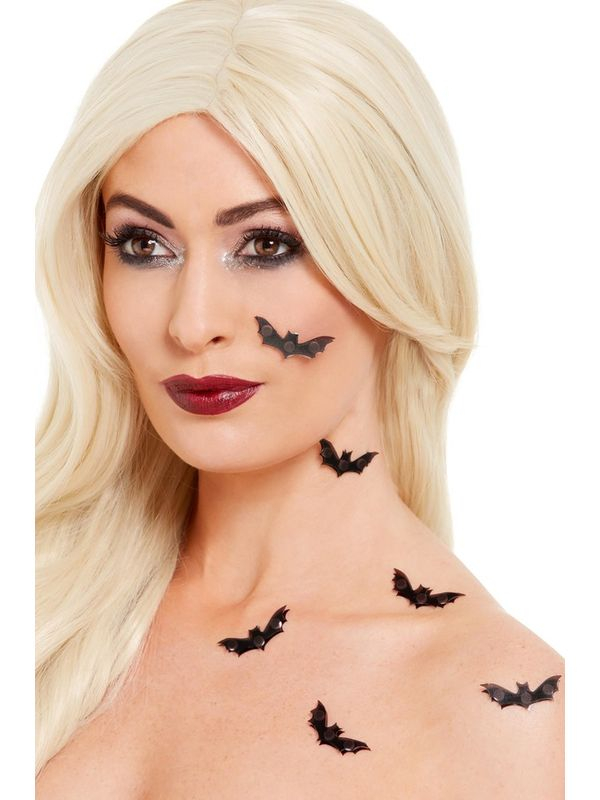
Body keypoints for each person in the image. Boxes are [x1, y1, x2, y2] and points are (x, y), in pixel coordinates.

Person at [35, 0, 564, 796]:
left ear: (392, 264)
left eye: (266, 244)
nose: (193, 323)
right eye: (144, 245)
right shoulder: (43, 609)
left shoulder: (510, 718)